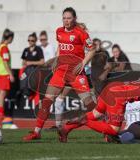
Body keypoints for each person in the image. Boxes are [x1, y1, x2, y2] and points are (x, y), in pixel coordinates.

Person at [23, 7, 96, 141]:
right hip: (61, 72)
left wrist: (83, 63)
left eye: (69, 18)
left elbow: (92, 49)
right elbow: (60, 47)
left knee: (90, 104)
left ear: (74, 19)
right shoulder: (59, 31)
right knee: (46, 102)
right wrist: (57, 60)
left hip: (75, 73)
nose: (66, 20)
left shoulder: (81, 33)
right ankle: (36, 132)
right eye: (64, 18)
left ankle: (107, 130)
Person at [59, 65, 140, 143]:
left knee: (96, 114)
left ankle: (66, 129)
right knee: (114, 131)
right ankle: (84, 121)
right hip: (118, 96)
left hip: (111, 88)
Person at [0, 29, 14, 124]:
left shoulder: (1, 46)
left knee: (2, 94)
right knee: (2, 94)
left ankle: (0, 112)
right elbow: (5, 62)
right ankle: (0, 113)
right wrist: (10, 74)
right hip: (3, 73)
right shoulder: (4, 47)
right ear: (10, 38)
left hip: (0, 73)